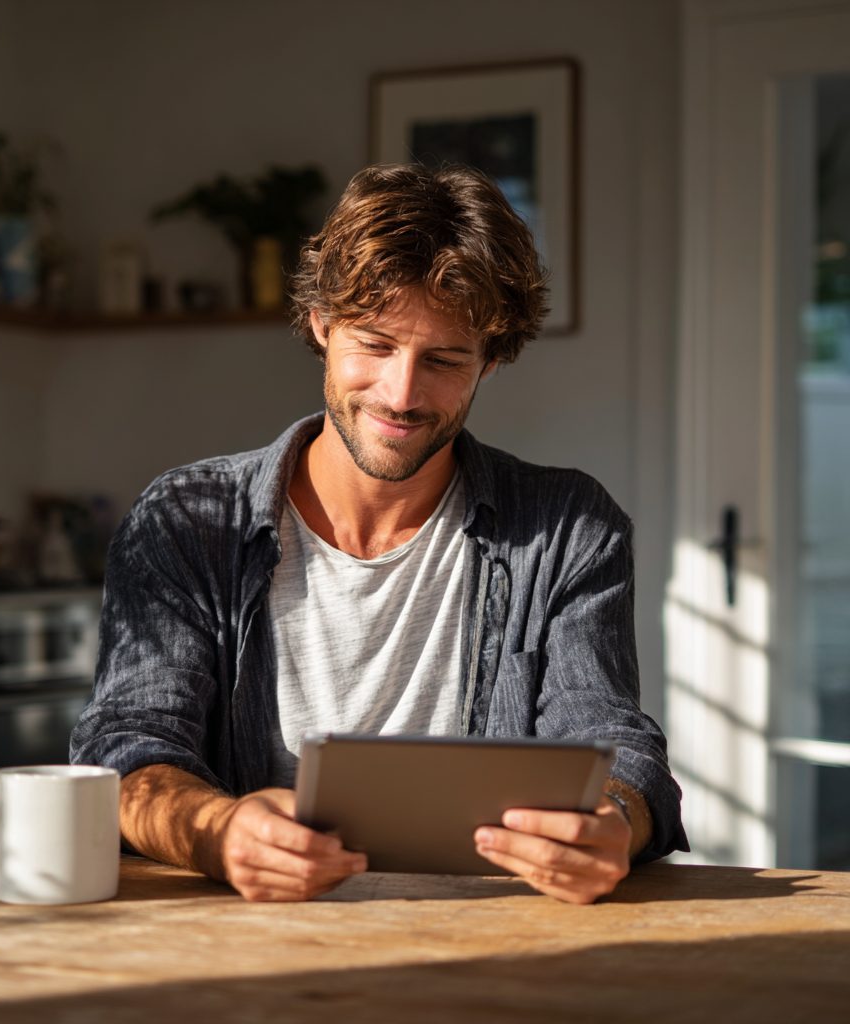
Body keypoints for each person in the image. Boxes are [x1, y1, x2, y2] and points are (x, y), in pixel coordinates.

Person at [70, 163, 688, 905]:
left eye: (445, 359)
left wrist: (613, 821)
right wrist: (217, 832)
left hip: (491, 945)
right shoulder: (186, 520)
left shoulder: (566, 529)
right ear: (322, 325)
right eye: (376, 344)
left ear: (491, 360)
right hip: (241, 943)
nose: (401, 394)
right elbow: (125, 750)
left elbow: (614, 745)